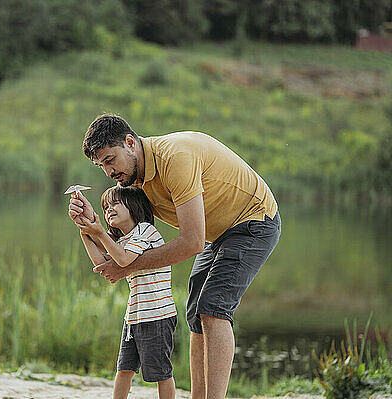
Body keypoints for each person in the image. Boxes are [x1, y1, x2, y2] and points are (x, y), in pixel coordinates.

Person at [68, 114, 281, 399]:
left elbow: (191, 242)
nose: (108, 171)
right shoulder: (132, 182)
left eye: (110, 160)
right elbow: (120, 250)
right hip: (217, 234)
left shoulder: (175, 159)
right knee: (195, 312)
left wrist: (125, 268)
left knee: (213, 308)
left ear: (130, 143)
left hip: (253, 219)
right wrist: (90, 226)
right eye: (101, 165)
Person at [73, 185, 177, 399]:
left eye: (115, 204)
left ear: (134, 206)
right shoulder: (122, 241)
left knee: (161, 373)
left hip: (157, 315)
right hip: (134, 317)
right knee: (124, 369)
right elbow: (101, 262)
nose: (108, 209)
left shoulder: (145, 230)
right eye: (105, 207)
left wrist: (99, 232)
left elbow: (122, 260)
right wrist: (85, 230)